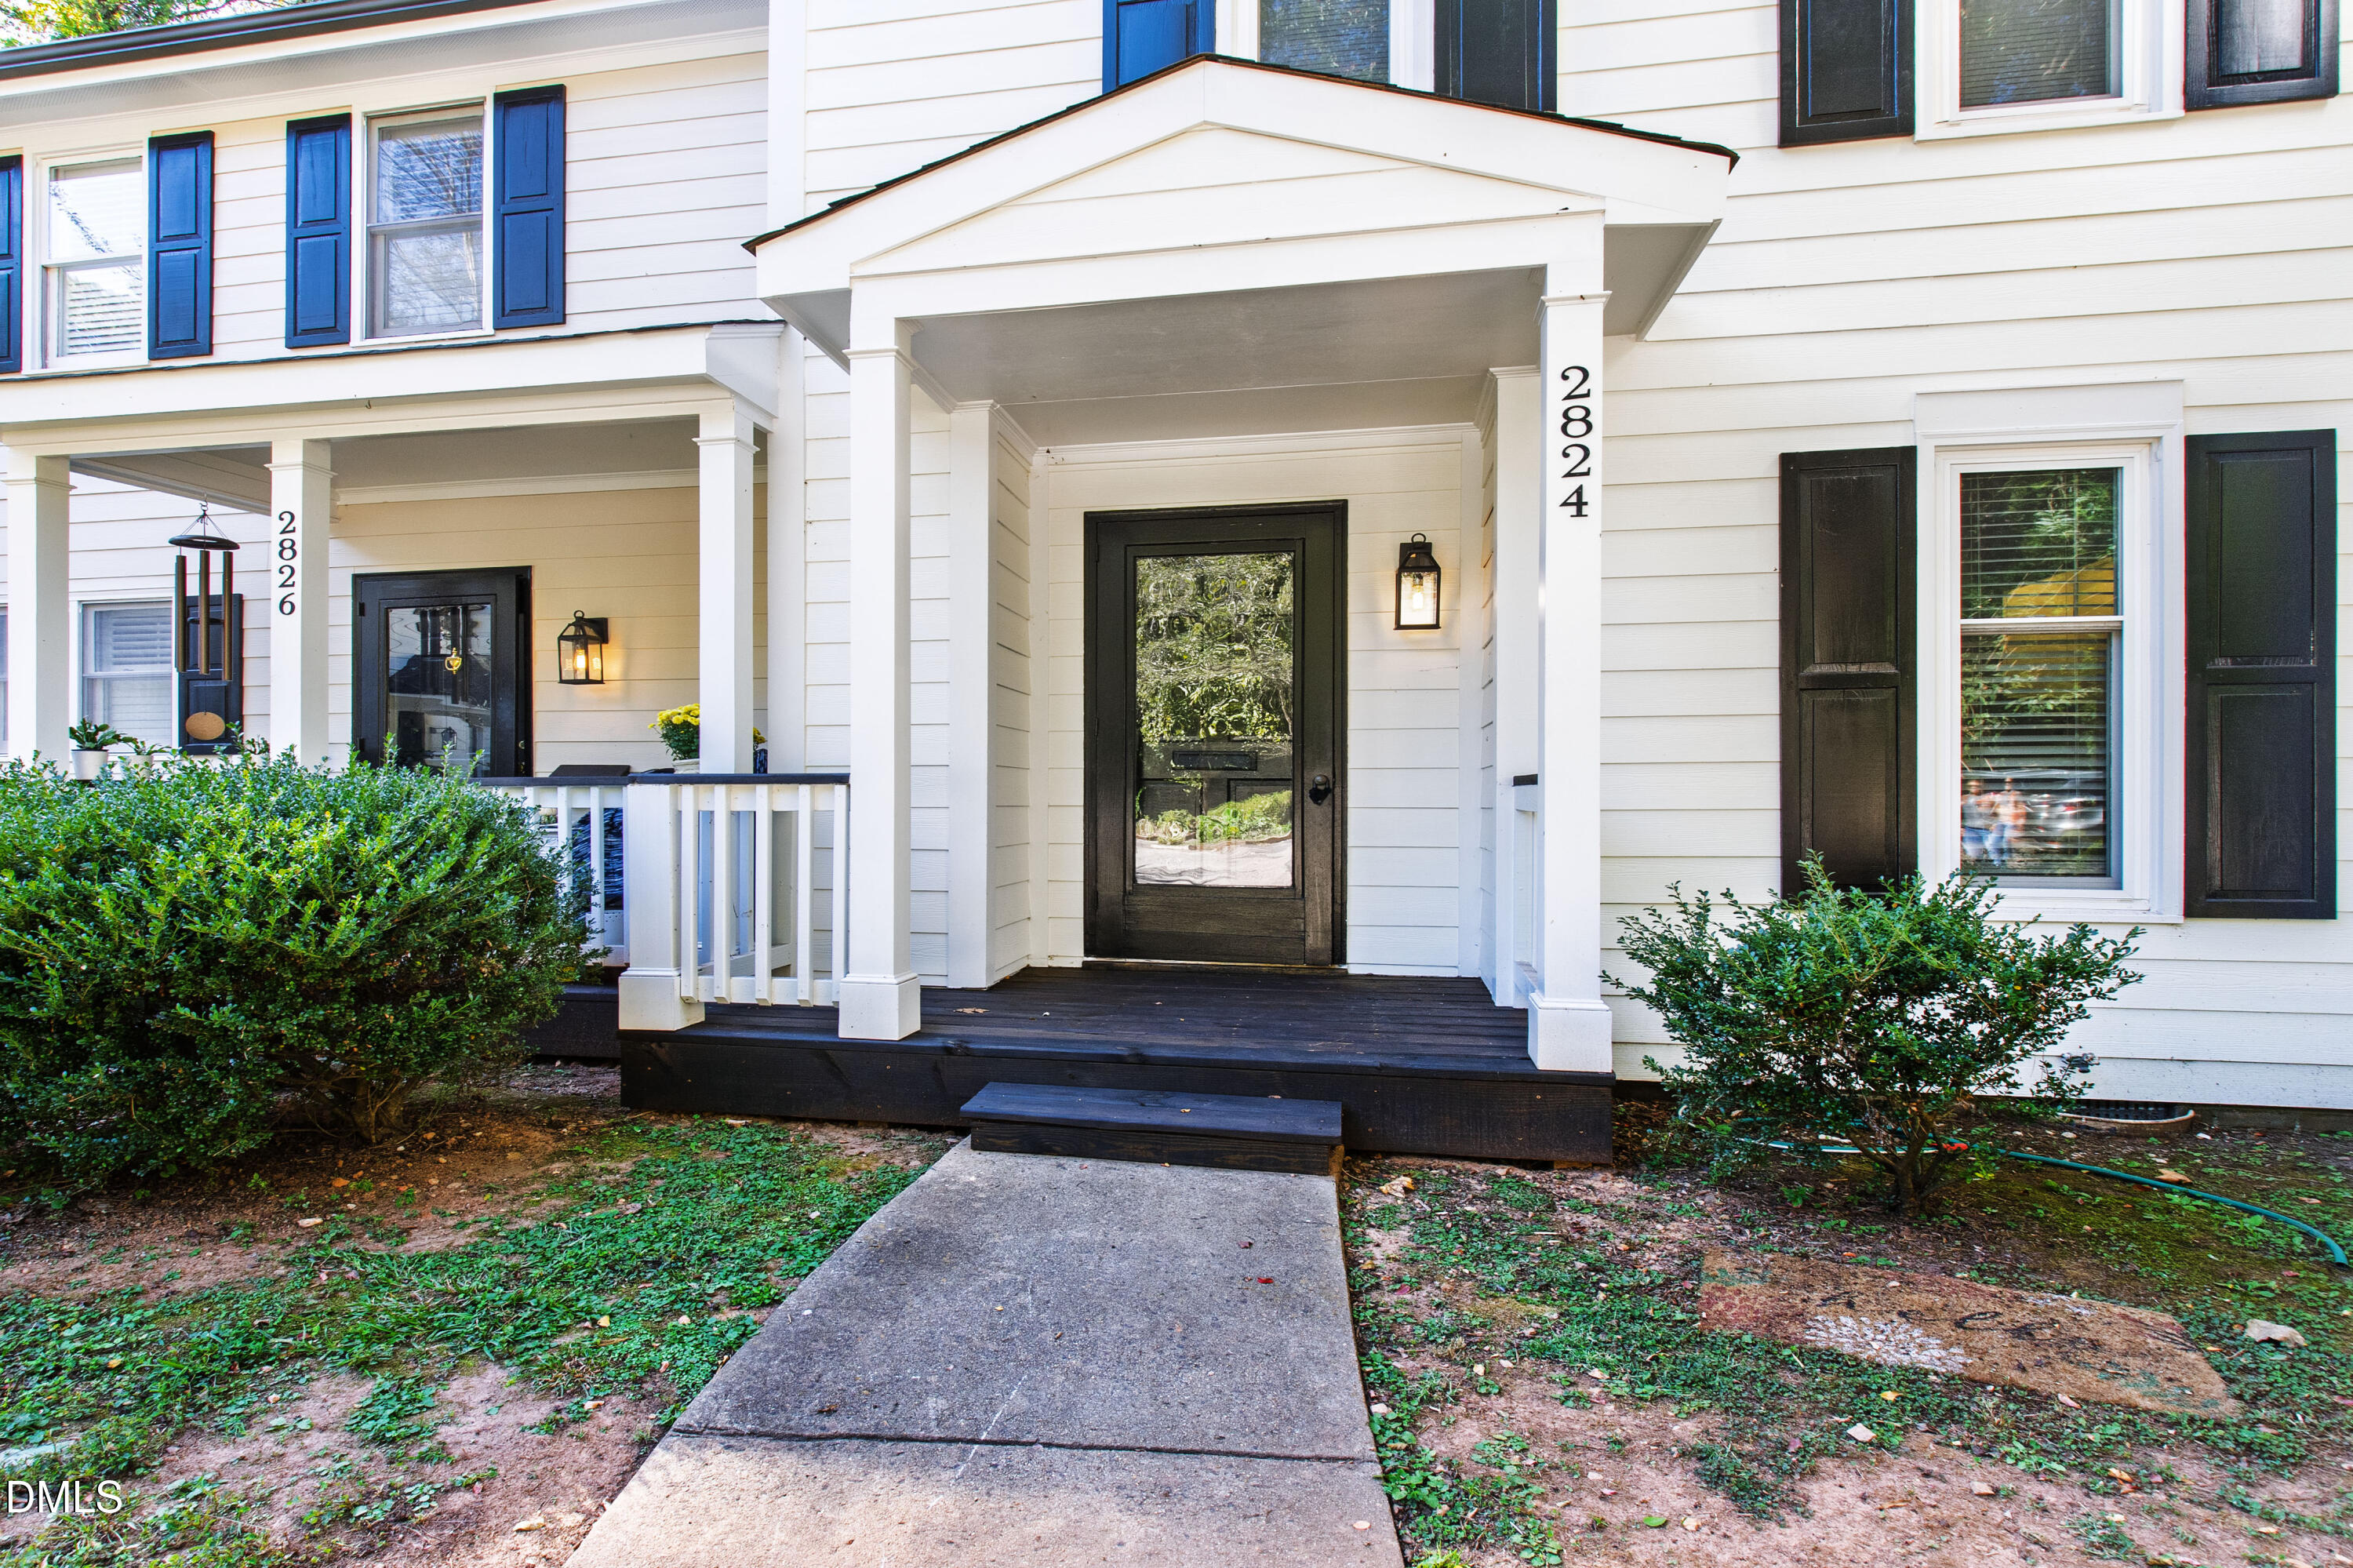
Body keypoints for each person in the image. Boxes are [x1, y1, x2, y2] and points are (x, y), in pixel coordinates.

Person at [1961, 777, 1994, 865]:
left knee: (1994, 854)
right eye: (1971, 785)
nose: (1974, 787)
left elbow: (1998, 813)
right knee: (1973, 856)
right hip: (1970, 830)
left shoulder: (1989, 797)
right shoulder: (1963, 799)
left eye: (1977, 786)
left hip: (1987, 830)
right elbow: (1954, 814)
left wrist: (1996, 824)